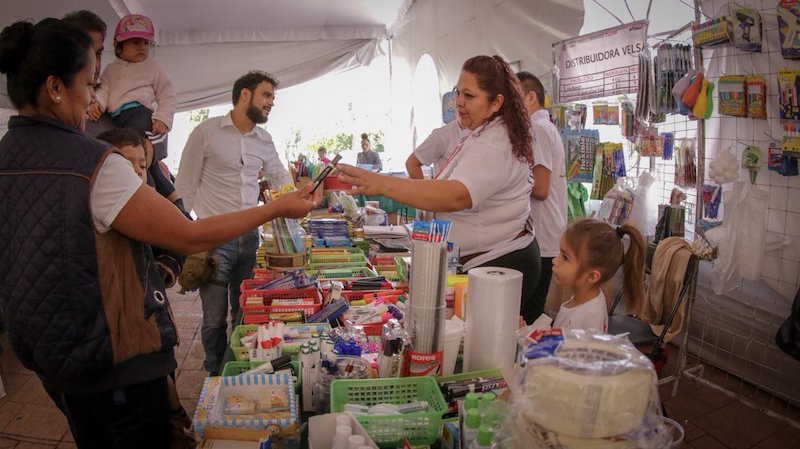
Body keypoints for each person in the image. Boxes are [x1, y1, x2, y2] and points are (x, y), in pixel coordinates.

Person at [0, 18, 316, 447]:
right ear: (55, 88)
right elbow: (187, 235)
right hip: (110, 356)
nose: (93, 100)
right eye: (89, 85)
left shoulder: (7, 155)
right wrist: (275, 208)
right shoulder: (93, 163)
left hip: (48, 353)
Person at [337, 55, 541, 320]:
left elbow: (455, 195)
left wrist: (383, 184)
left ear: (497, 102)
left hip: (499, 261)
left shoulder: (496, 141)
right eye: (458, 92)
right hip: (485, 260)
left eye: (469, 95)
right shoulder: (481, 132)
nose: (459, 102)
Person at [175, 70, 294, 375]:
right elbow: (185, 188)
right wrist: (182, 239)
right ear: (244, 95)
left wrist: (298, 197)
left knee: (244, 313)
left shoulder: (264, 139)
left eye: (273, 97)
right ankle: (216, 373)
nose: (271, 103)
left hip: (250, 239)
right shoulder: (205, 132)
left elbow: (279, 177)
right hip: (213, 241)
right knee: (214, 318)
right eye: (266, 95)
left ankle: (239, 371)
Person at [64, 10, 180, 207]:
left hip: (140, 119)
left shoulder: (152, 67)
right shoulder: (107, 80)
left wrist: (160, 124)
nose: (95, 63)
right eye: (87, 53)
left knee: (150, 171)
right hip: (108, 209)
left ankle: (172, 205)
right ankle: (171, 205)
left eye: (98, 54)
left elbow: (167, 97)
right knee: (148, 172)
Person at [517, 71, 567, 324]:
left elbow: (541, 188)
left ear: (530, 98)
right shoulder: (542, 128)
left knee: (528, 315)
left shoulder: (537, 129)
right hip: (542, 235)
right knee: (528, 312)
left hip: (542, 236)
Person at [90, 14, 175, 141]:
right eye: (135, 42)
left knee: (133, 143)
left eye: (146, 43)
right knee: (115, 144)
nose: (142, 47)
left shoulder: (153, 66)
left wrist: (163, 118)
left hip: (139, 113)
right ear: (118, 46)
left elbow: (167, 94)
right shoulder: (111, 69)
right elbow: (104, 90)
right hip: (115, 117)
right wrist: (97, 103)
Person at [551, 220, 645, 332]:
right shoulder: (585, 299)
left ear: (592, 277)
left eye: (565, 258)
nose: (555, 261)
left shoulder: (584, 318)